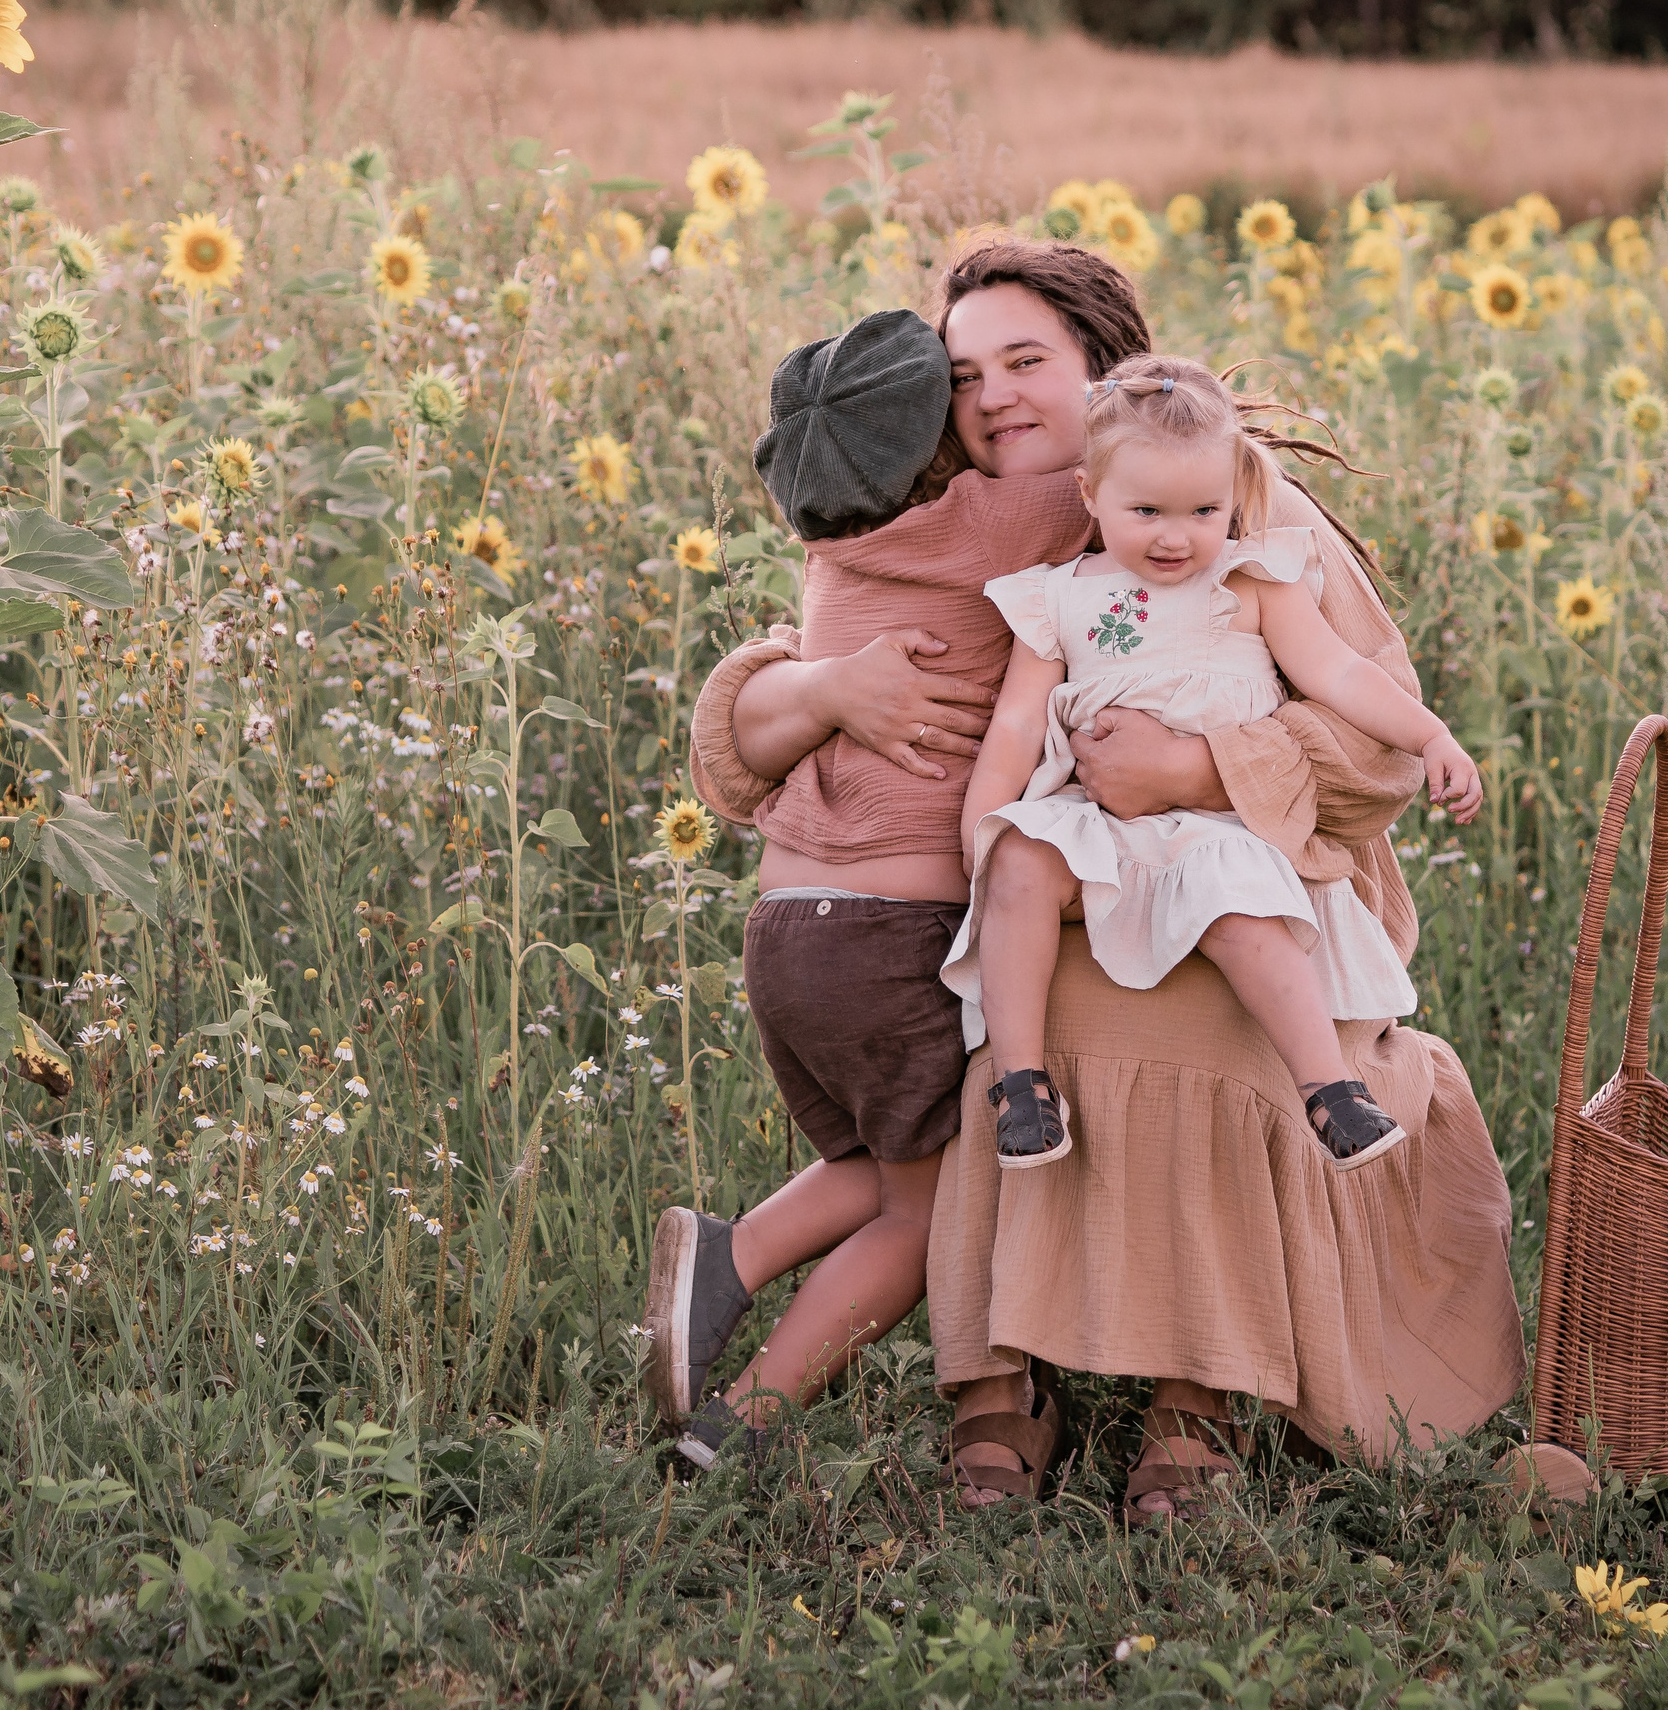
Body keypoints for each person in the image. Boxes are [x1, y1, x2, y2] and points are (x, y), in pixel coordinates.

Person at [687, 238, 1524, 1522]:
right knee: (1003, 1028)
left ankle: (1202, 1393)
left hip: (1236, 876)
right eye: (967, 374)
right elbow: (754, 724)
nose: (997, 398)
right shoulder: (974, 521)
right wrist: (814, 688)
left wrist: (1195, 766)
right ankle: (1001, 1381)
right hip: (1059, 883)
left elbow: (1376, 740)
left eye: (1029, 361)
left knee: (1208, 1026)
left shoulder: (1227, 503)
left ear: (1105, 366)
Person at [641, 307, 1091, 1468]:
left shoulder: (838, 551)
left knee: (873, 1165)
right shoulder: (1011, 518)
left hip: (787, 932)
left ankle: (727, 1256)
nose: (991, 401)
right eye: (963, 387)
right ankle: (747, 1420)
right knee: (924, 1206)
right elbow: (1140, 462)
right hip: (894, 936)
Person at [945, 355, 1484, 1177]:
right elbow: (1017, 725)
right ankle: (1023, 1085)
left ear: (1234, 496)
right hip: (1099, 822)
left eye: (1204, 509)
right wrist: (976, 828)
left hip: (1219, 826)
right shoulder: (1056, 597)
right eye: (1147, 510)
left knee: (1247, 912)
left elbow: (1339, 673)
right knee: (1018, 860)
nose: (1176, 534)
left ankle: (1330, 1090)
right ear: (1090, 494)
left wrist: (1431, 735)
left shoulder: (1252, 580)